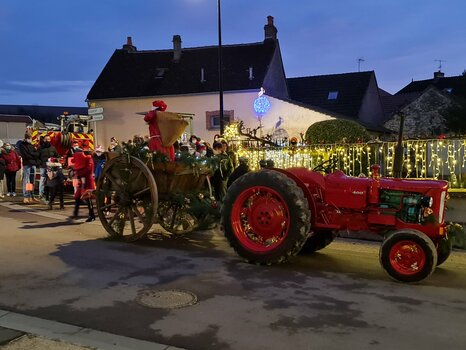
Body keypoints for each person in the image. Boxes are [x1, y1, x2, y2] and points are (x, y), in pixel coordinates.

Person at [71, 149, 96, 222]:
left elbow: (88, 170)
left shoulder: (89, 160)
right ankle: (75, 213)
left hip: (88, 181)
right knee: (77, 197)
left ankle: (91, 215)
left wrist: (79, 173)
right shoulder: (87, 160)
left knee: (88, 199)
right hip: (83, 181)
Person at [18, 134, 40, 203]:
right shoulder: (22, 145)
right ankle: (26, 196)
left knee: (31, 181)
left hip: (33, 164)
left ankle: (31, 196)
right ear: (26, 138)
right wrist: (33, 154)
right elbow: (25, 155)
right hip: (27, 164)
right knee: (26, 181)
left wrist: (32, 154)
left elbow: (37, 154)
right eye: (30, 138)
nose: (30, 139)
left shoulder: (31, 145)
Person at [38, 135, 59, 201]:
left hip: (51, 167)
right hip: (43, 166)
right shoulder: (40, 148)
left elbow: (57, 155)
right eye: (46, 139)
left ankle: (51, 194)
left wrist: (57, 159)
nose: (47, 140)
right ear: (44, 140)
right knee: (43, 179)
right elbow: (37, 157)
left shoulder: (53, 148)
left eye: (48, 139)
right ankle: (41, 194)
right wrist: (40, 163)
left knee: (51, 180)